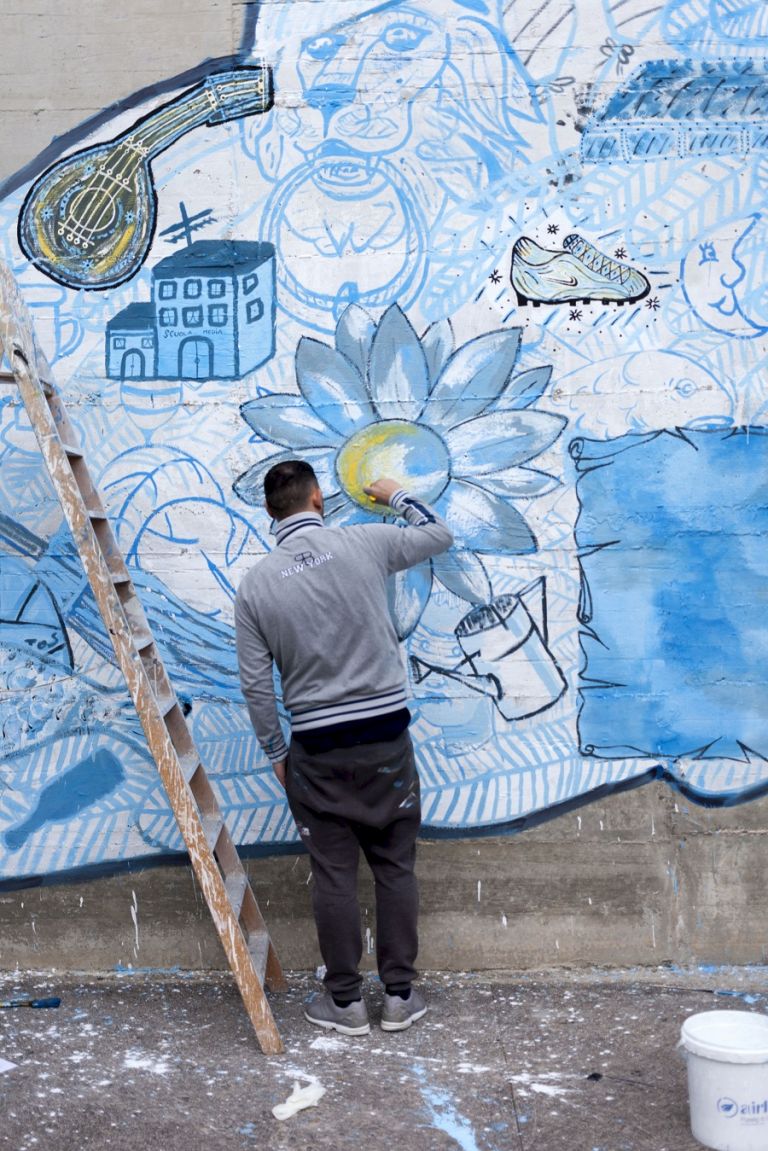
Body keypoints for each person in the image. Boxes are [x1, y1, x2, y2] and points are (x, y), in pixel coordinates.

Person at [234, 459, 453, 1035]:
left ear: (268, 512)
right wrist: (397, 495)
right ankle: (400, 998)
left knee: (332, 873)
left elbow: (257, 685)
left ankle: (345, 1003)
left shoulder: (256, 585)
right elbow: (439, 535)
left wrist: (276, 753)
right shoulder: (366, 542)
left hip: (316, 746)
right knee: (394, 866)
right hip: (385, 737)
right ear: (319, 500)